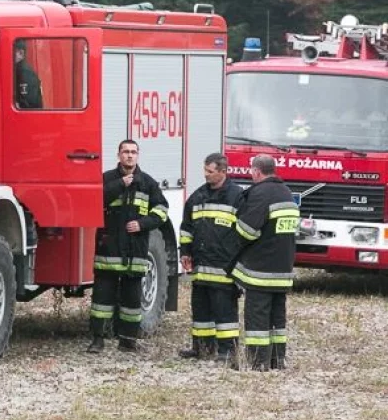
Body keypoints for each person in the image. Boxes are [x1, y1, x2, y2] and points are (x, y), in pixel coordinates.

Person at [88, 140, 169, 353]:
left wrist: (143, 224)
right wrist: (120, 184)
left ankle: (128, 341)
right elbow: (95, 200)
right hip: (109, 250)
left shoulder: (148, 183)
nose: (129, 156)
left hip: (135, 251)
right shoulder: (107, 179)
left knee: (132, 301)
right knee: (101, 300)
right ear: (119, 155)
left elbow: (162, 211)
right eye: (126, 152)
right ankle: (98, 339)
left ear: (138, 155)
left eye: (133, 152)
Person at [229, 154, 299, 371]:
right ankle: (277, 360)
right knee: (277, 319)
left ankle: (258, 362)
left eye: (251, 171)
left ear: (257, 171)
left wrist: (234, 231)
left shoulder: (261, 193)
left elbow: (248, 231)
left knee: (257, 319)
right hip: (283, 269)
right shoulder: (285, 192)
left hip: (261, 271)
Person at [178, 153, 244, 364]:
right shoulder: (197, 197)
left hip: (224, 268)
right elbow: (186, 228)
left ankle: (227, 351)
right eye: (205, 170)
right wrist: (185, 252)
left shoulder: (237, 197)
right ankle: (202, 347)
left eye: (210, 171)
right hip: (201, 267)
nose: (206, 175)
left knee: (224, 311)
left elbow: (244, 232)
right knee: (201, 310)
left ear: (223, 171)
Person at [13, 39, 43, 109]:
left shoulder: (24, 72)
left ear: (21, 53)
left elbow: (27, 105)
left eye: (11, 51)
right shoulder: (19, 70)